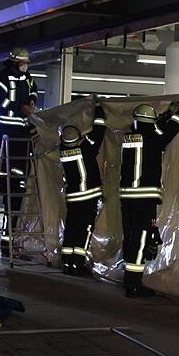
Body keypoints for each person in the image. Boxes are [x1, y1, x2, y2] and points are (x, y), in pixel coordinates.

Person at [118, 94, 179, 297]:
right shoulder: (155, 137)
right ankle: (133, 285)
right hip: (146, 198)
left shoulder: (128, 137)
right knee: (141, 239)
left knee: (130, 236)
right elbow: (173, 128)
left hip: (127, 198)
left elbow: (154, 128)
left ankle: (128, 278)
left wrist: (166, 113)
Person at [0, 47, 38, 257]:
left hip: (23, 131)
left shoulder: (27, 77)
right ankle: (7, 246)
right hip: (9, 132)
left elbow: (34, 91)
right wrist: (19, 107)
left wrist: (32, 102)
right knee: (11, 192)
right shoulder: (2, 78)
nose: (25, 65)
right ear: (14, 62)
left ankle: (12, 243)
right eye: (22, 62)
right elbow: (1, 102)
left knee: (18, 192)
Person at [59, 96, 106, 276]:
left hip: (73, 196)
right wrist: (99, 107)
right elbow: (100, 129)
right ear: (79, 138)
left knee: (71, 227)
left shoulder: (63, 150)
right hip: (88, 195)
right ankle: (77, 264)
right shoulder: (86, 148)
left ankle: (67, 263)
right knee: (84, 229)